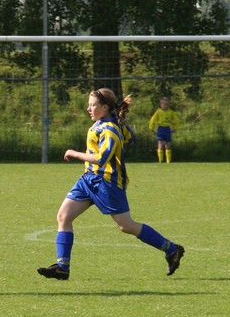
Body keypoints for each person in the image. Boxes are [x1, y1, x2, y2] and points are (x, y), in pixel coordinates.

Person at [38, 87, 185, 281]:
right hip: (88, 180)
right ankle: (62, 267)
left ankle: (172, 249)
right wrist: (120, 121)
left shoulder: (109, 129)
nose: (88, 109)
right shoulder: (104, 123)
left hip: (107, 183)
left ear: (105, 107)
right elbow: (129, 137)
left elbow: (102, 159)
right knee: (63, 216)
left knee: (126, 226)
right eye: (89, 105)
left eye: (93, 105)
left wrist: (74, 153)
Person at [148, 96, 181, 163]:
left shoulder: (171, 112)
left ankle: (168, 161)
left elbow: (176, 120)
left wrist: (175, 128)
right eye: (164, 104)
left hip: (167, 129)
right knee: (160, 144)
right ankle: (161, 160)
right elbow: (153, 120)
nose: (165, 106)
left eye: (167, 104)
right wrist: (152, 129)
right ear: (161, 104)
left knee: (168, 145)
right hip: (161, 128)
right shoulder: (158, 112)